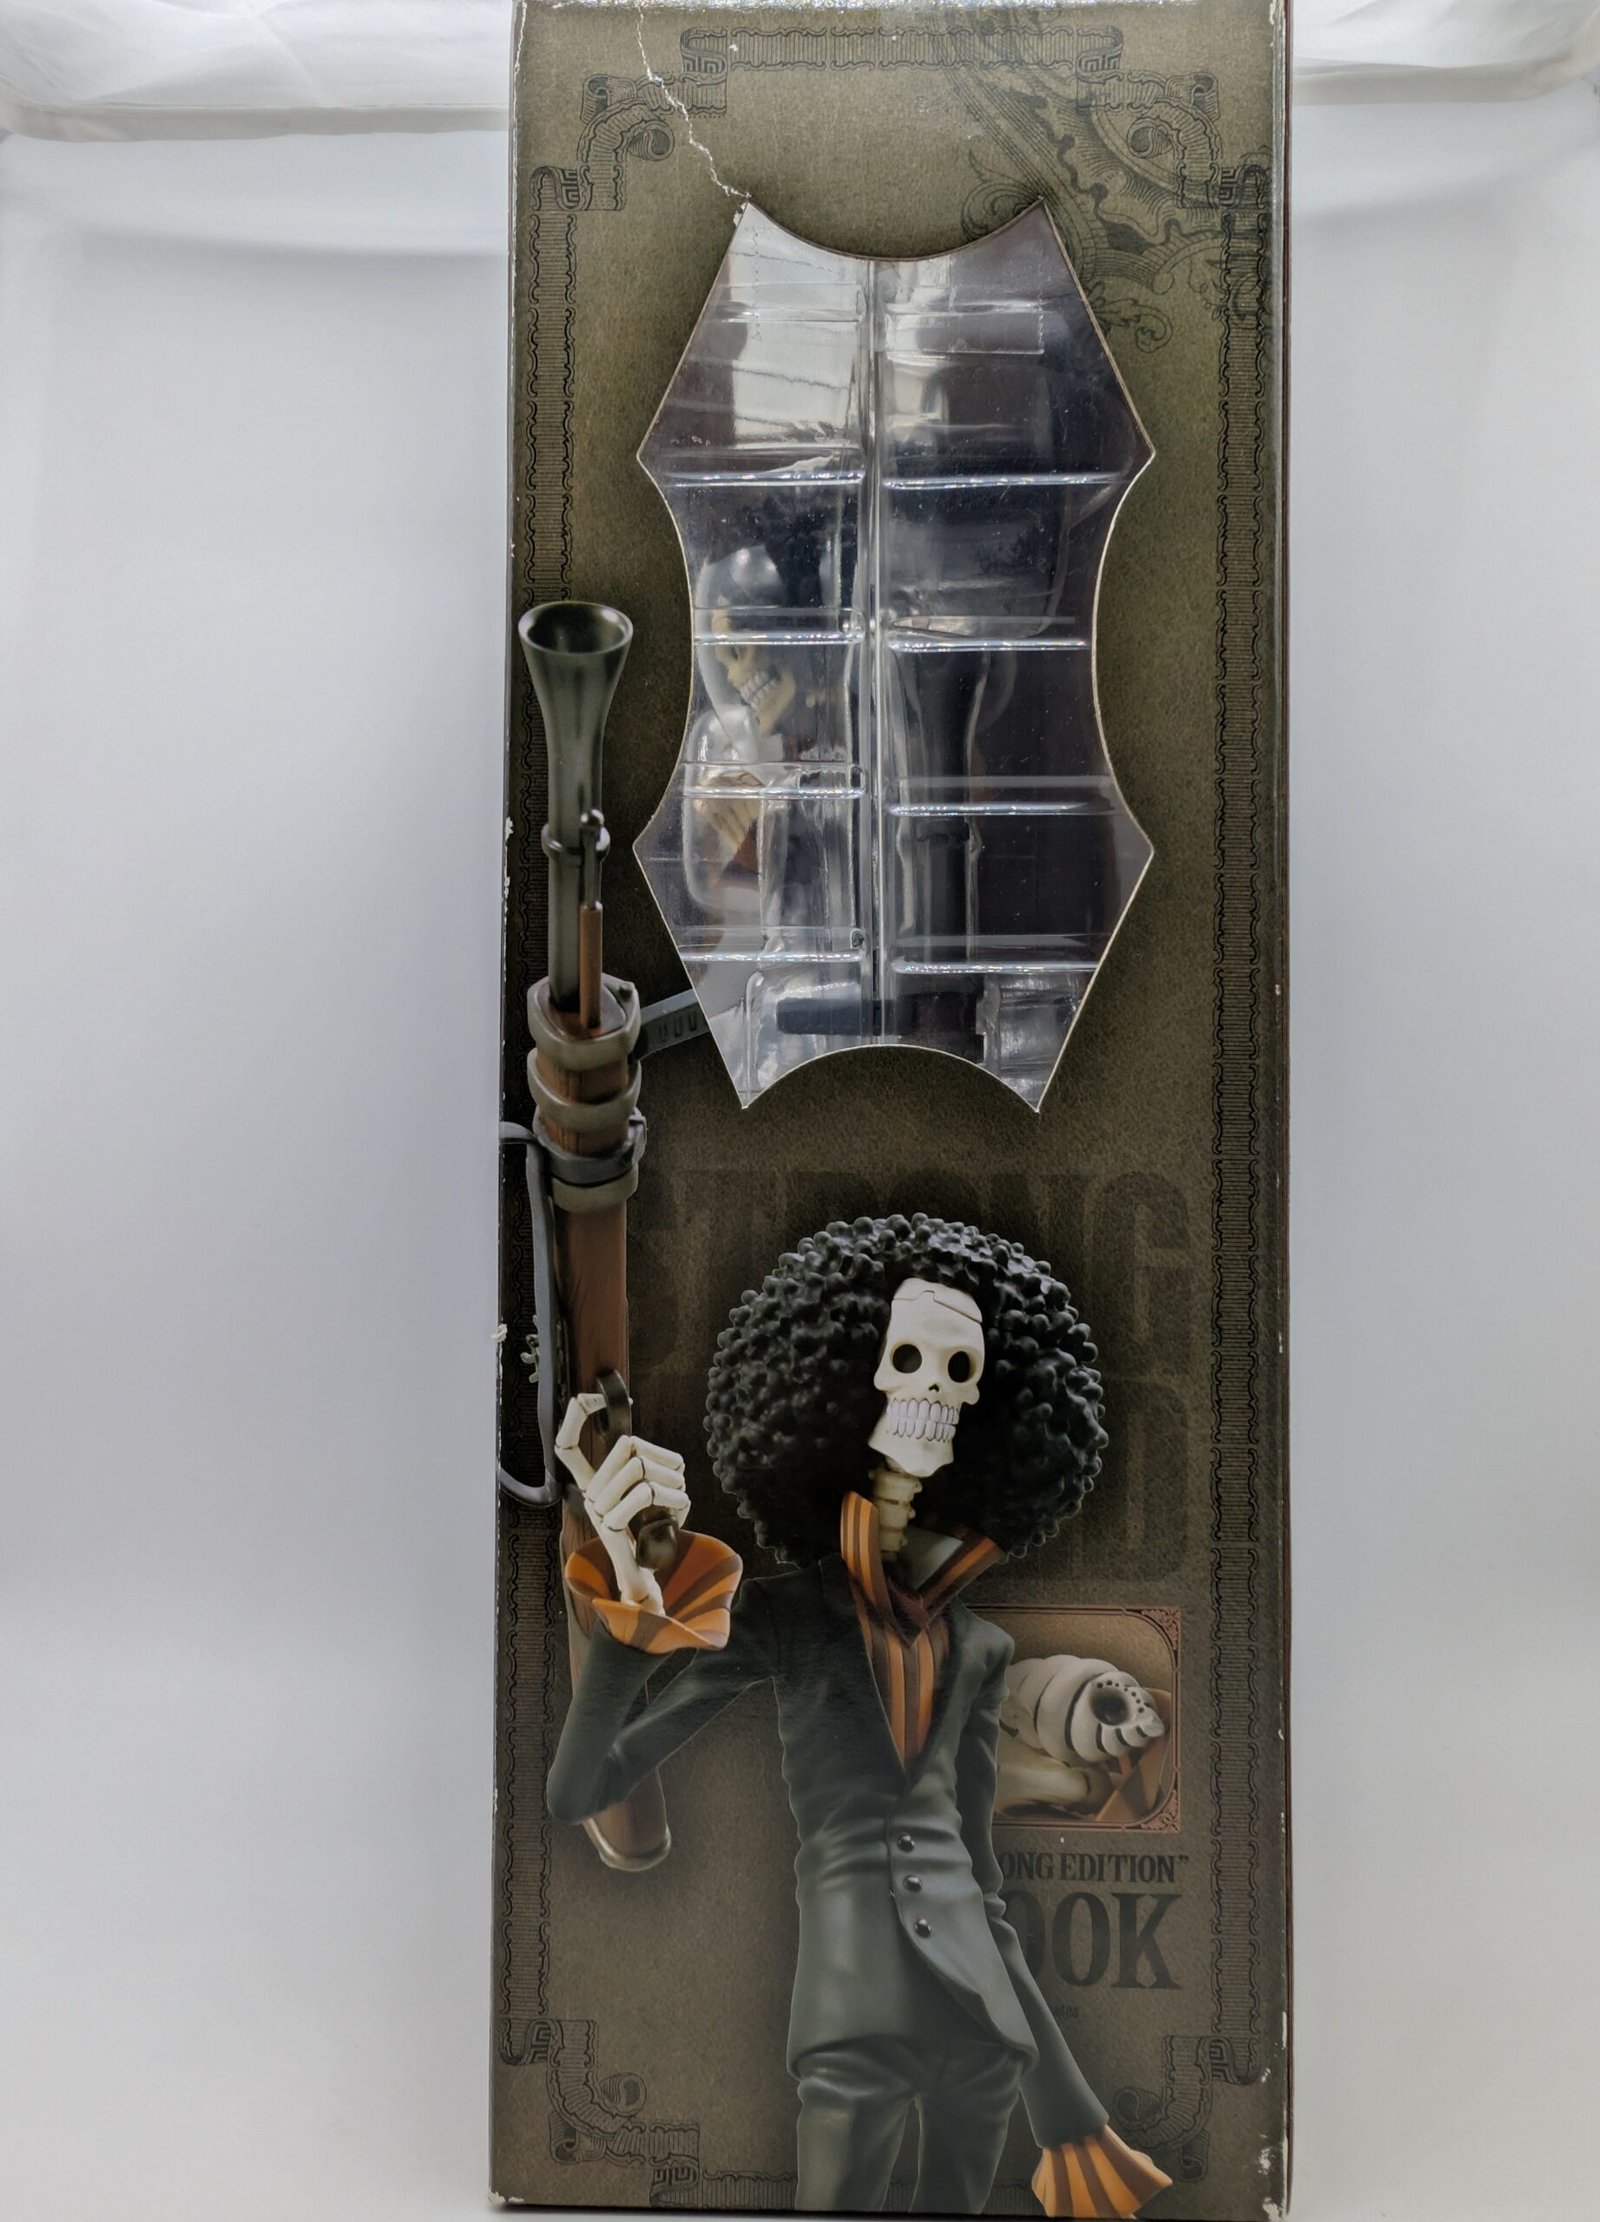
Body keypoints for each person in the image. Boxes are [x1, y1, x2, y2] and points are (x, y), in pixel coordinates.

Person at [547, 1213, 1171, 2219]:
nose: (933, 1391)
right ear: (841, 1380)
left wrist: (1067, 2113)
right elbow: (582, 1787)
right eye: (909, 1358)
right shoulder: (784, 1617)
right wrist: (628, 1607)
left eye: (959, 1371)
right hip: (851, 2017)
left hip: (982, 2036)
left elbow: (982, 1884)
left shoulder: (982, 1648)